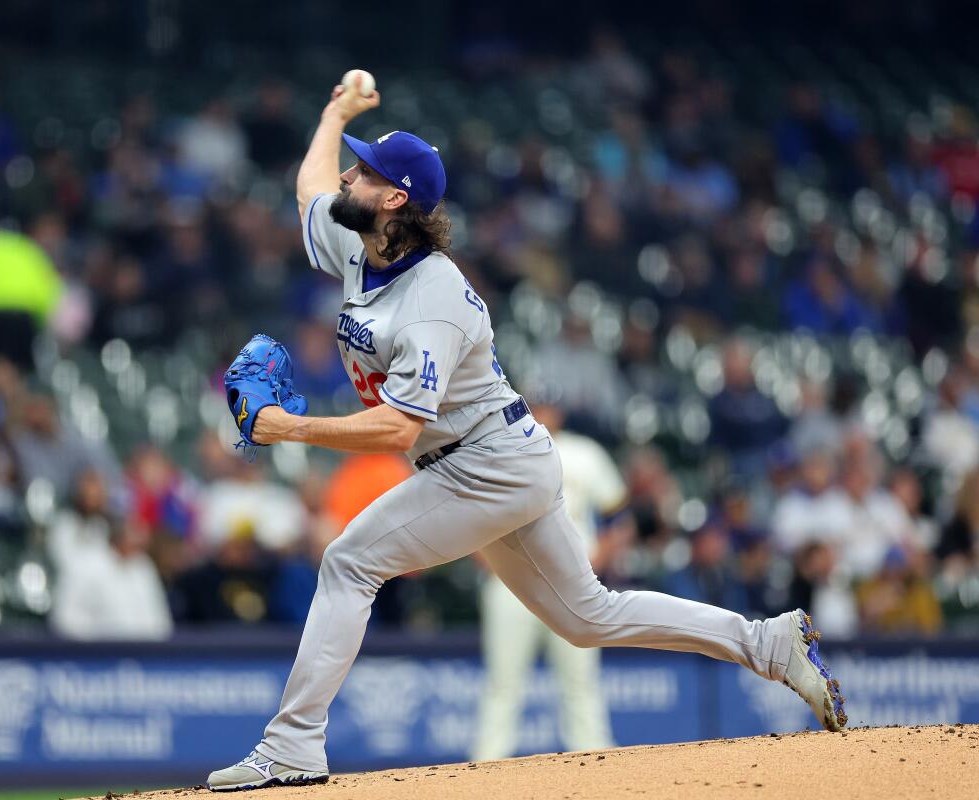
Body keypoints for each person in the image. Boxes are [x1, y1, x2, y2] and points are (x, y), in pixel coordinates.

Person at [205, 76, 846, 793]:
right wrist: (334, 113)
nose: (347, 174)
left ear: (394, 200)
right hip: (493, 459)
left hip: (486, 465)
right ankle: (767, 641)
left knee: (349, 562)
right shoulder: (361, 242)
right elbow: (307, 190)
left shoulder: (433, 297)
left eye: (364, 169)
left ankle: (293, 745)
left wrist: (287, 428)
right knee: (588, 615)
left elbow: (397, 426)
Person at [472, 402, 628, 760]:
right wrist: (491, 562)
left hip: (571, 582)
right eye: (535, 401)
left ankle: (597, 761)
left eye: (549, 404)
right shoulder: (496, 445)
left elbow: (618, 519)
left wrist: (595, 563)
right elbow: (468, 515)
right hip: (510, 584)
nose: (543, 410)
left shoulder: (584, 452)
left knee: (580, 683)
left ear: (560, 410)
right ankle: (485, 768)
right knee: (503, 683)